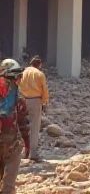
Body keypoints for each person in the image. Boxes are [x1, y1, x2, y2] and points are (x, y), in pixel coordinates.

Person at [0, 59, 29, 194]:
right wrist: (27, 142)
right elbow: (22, 121)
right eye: (19, 77)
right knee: (9, 181)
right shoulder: (17, 97)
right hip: (10, 141)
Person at [18, 55, 47, 161]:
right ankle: (33, 154)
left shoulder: (24, 72)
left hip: (25, 100)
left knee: (24, 127)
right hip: (36, 100)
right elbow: (44, 90)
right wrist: (44, 103)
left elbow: (19, 85)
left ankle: (24, 151)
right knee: (35, 127)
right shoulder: (39, 74)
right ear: (40, 64)